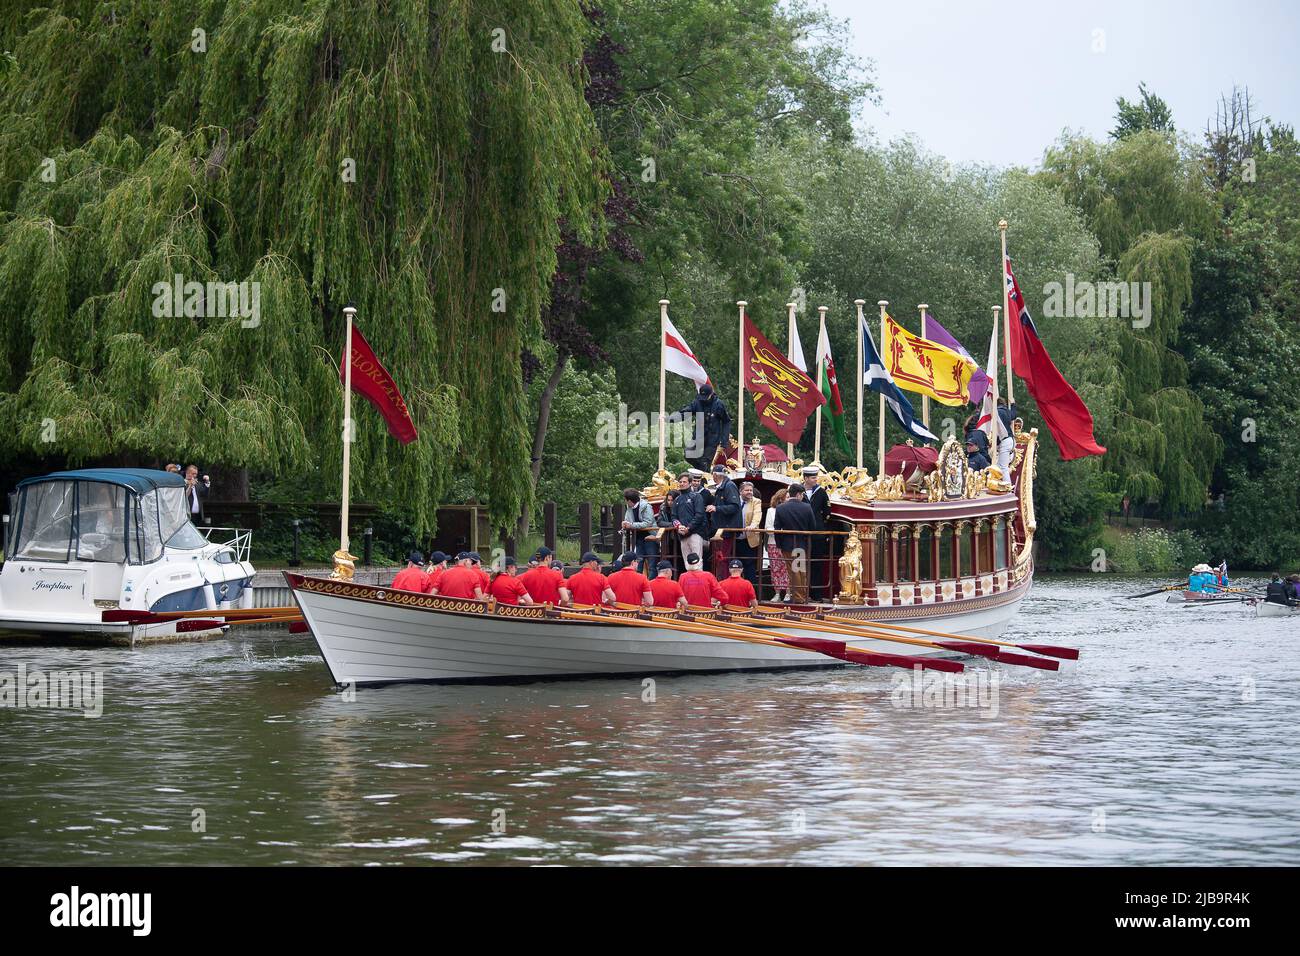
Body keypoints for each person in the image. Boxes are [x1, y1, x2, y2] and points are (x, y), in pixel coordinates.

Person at [774, 484, 815, 604]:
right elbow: (812, 527)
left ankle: (797, 596)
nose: (802, 496)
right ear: (798, 494)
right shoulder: (807, 507)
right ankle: (800, 596)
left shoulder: (781, 508)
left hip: (786, 545)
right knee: (800, 570)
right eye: (802, 494)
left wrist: (779, 544)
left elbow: (777, 528)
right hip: (802, 543)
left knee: (792, 571)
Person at [677, 383, 731, 471]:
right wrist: (669, 418)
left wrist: (724, 441)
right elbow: (685, 413)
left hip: (712, 440)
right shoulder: (697, 402)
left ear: (711, 394)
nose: (704, 399)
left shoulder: (718, 405)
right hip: (698, 437)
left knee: (705, 461)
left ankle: (704, 475)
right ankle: (702, 468)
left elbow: (726, 422)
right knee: (688, 454)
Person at [706, 465, 742, 578]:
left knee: (723, 558)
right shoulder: (724, 486)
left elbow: (735, 507)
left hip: (726, 530)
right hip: (722, 529)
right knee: (721, 558)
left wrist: (716, 508)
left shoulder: (729, 486)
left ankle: (724, 582)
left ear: (715, 475)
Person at [803, 466, 831, 600]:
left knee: (817, 564)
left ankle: (817, 594)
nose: (816, 480)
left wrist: (820, 527)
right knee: (801, 563)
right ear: (806, 478)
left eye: (816, 477)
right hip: (802, 534)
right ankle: (802, 592)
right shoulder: (798, 491)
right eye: (813, 478)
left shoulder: (821, 492)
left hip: (817, 534)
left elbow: (827, 512)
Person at [671, 470, 708, 568]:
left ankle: (699, 583)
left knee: (697, 561)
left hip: (695, 533)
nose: (682, 484)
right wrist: (679, 526)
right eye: (680, 482)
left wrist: (689, 528)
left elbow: (699, 515)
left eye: (684, 482)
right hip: (682, 535)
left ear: (690, 483)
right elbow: (673, 517)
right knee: (686, 563)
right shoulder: (677, 500)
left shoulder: (697, 496)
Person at [620, 488, 659, 575]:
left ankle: (651, 584)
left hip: (650, 537)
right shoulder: (629, 508)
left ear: (629, 500)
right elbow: (628, 519)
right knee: (638, 562)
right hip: (638, 538)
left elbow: (648, 523)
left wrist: (632, 525)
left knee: (652, 564)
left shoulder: (646, 506)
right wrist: (625, 523)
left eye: (625, 500)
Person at [734, 481, 763, 587]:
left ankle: (751, 590)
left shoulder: (756, 501)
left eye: (751, 490)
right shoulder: (734, 500)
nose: (749, 492)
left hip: (749, 539)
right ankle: (736, 589)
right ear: (740, 491)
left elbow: (757, 515)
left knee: (749, 565)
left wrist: (753, 525)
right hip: (735, 539)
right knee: (735, 565)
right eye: (747, 490)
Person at [764, 487, 790, 602]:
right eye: (787, 497)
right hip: (773, 543)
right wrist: (779, 531)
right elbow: (768, 528)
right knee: (775, 568)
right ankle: (777, 593)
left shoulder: (791, 510)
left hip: (787, 543)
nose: (790, 499)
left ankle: (788, 593)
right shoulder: (771, 511)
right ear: (781, 499)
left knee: (787, 568)